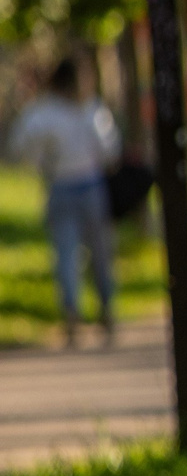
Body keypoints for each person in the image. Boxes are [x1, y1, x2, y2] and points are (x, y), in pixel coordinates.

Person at [8, 56, 120, 348]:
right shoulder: (91, 111)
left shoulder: (42, 114)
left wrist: (41, 160)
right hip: (90, 186)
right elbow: (110, 150)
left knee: (67, 254)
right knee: (100, 252)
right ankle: (105, 307)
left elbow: (20, 146)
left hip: (60, 186)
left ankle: (73, 311)